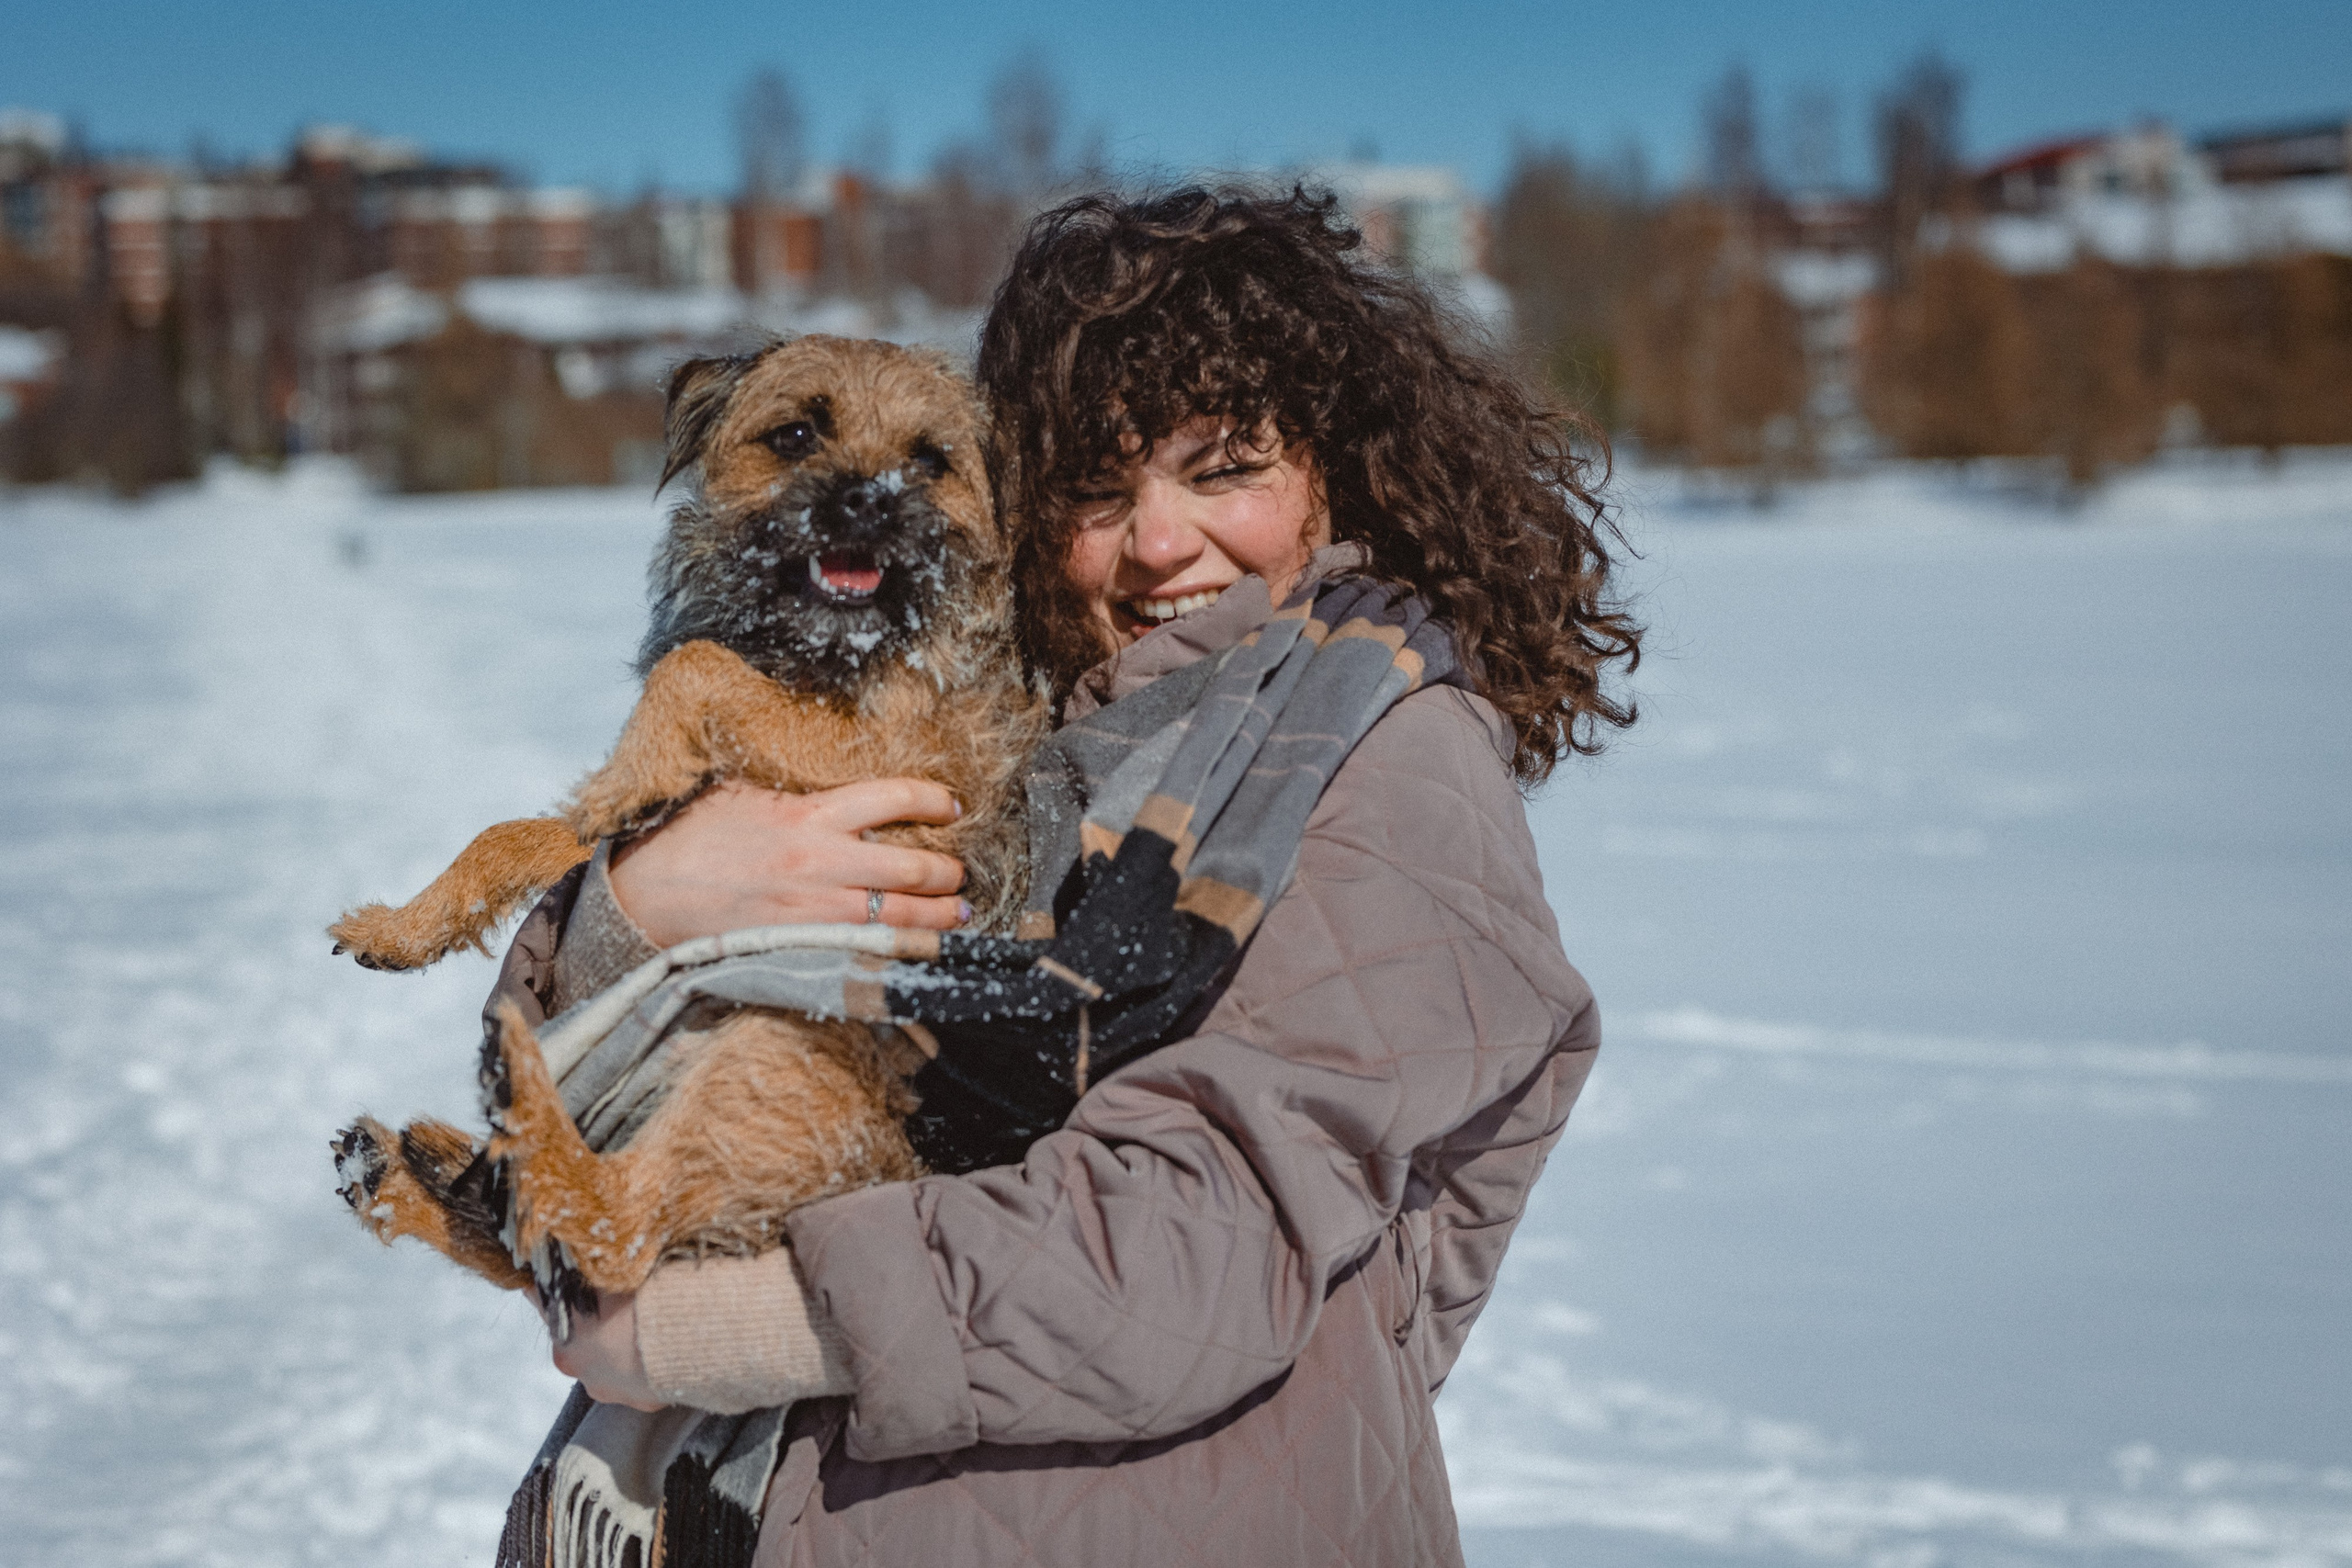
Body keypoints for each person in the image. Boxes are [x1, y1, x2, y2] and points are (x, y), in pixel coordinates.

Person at [492, 186, 1641, 1566]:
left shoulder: (1382, 757)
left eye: (1224, 469)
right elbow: (612, 1089)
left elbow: (1186, 1250)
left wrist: (696, 1330)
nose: (1158, 543)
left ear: (1347, 467)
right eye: (1099, 490)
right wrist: (647, 907)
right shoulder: (1042, 734)